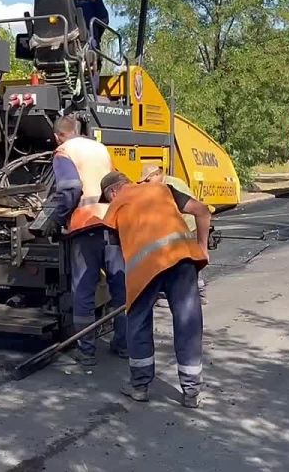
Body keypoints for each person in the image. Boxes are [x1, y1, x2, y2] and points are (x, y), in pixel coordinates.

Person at [100, 170, 211, 408]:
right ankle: (191, 392)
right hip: (183, 260)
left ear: (113, 192)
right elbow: (203, 211)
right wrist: (203, 247)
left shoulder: (116, 205)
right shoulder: (163, 189)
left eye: (107, 197)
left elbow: (114, 256)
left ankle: (139, 387)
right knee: (188, 322)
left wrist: (121, 292)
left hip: (145, 269)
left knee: (138, 322)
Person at [43, 115, 127, 366]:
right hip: (112, 224)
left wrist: (55, 219)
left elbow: (70, 188)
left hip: (85, 227)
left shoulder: (64, 151)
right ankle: (123, 344)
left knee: (84, 290)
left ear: (58, 135)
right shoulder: (100, 148)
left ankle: (87, 351)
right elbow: (115, 183)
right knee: (120, 288)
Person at [140, 164, 209, 304]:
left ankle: (197, 292)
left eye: (148, 180)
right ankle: (193, 291)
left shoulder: (170, 186)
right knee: (189, 258)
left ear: (157, 175)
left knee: (189, 258)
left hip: (186, 224)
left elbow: (195, 209)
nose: (146, 185)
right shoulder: (166, 183)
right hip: (184, 224)